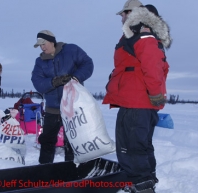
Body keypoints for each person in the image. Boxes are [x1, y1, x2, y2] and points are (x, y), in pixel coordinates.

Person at [102, 0, 172, 192]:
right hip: (138, 102)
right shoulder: (137, 35)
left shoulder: (142, 34)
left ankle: (141, 186)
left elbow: (153, 66)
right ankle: (144, 183)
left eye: (124, 13)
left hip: (137, 103)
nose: (122, 17)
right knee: (140, 146)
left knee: (130, 148)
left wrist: (156, 95)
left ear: (132, 13)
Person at [31, 30, 94, 164]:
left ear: (51, 41)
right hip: (52, 109)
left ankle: (72, 171)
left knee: (73, 141)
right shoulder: (40, 62)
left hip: (73, 108)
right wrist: (53, 82)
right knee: (47, 141)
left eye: (44, 43)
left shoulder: (70, 50)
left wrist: (76, 77)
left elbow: (88, 64)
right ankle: (44, 171)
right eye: (39, 45)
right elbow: (37, 82)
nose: (42, 47)